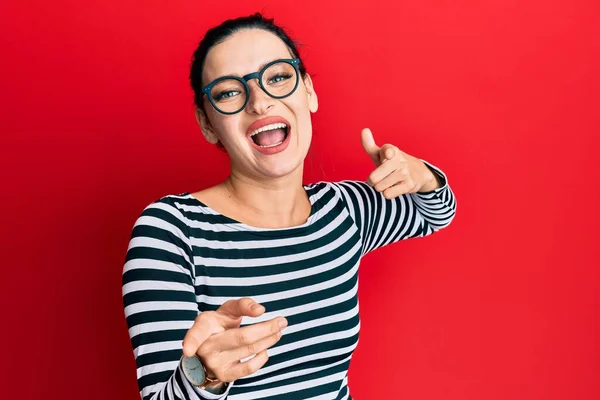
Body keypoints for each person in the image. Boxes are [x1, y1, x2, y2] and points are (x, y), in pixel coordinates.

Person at [122, 12, 457, 400]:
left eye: (278, 77)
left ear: (309, 91)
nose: (260, 102)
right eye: (229, 92)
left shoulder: (345, 211)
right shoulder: (170, 231)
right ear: (207, 124)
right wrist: (204, 376)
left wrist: (424, 176)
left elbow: (435, 213)